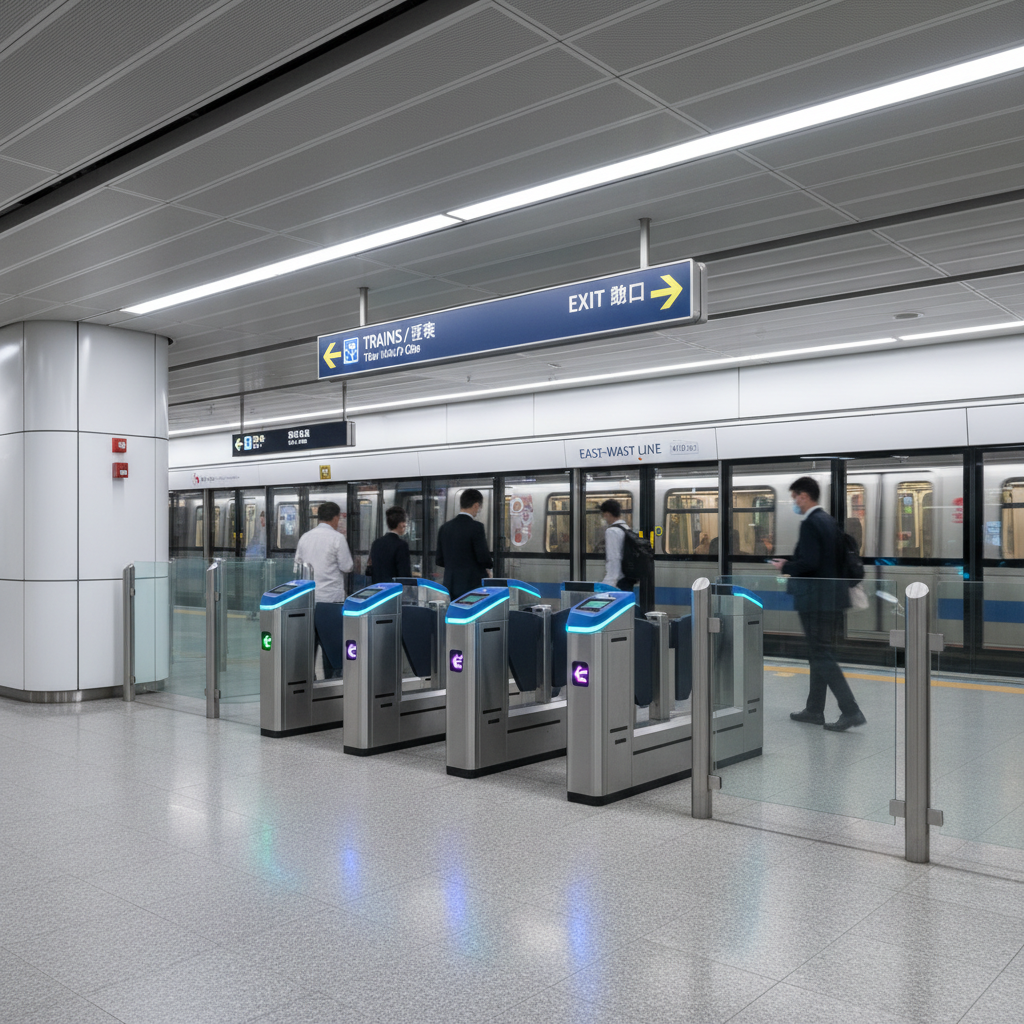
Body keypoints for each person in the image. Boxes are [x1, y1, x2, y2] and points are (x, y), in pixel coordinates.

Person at [771, 476, 865, 732]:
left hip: (815, 599)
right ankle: (814, 709)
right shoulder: (829, 520)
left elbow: (810, 563)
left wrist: (785, 566)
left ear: (804, 495)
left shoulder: (811, 523)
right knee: (818, 653)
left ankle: (850, 710)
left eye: (795, 498)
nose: (795, 503)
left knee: (821, 654)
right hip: (832, 599)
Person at [294, 501, 353, 679]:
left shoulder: (305, 537)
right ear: (335, 518)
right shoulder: (337, 538)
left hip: (309, 601)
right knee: (332, 650)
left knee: (309, 648)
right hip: (331, 603)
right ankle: (331, 686)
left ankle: (308, 684)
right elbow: (347, 566)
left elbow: (297, 566)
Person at [435, 488, 493, 598]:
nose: (479, 510)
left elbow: (439, 560)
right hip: (471, 586)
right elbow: (483, 558)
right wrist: (488, 568)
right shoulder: (476, 527)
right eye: (479, 507)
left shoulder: (444, 528)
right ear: (476, 505)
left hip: (450, 585)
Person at [600, 499, 636, 591]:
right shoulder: (625, 527)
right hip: (627, 577)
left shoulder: (612, 531)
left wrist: (610, 582)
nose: (604, 518)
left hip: (618, 581)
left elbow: (614, 557)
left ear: (607, 514)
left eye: (604, 515)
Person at [369, 506, 412, 584]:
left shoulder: (376, 543)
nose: (405, 525)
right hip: (394, 590)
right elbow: (404, 575)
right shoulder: (401, 545)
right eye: (405, 522)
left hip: (378, 589)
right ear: (401, 524)